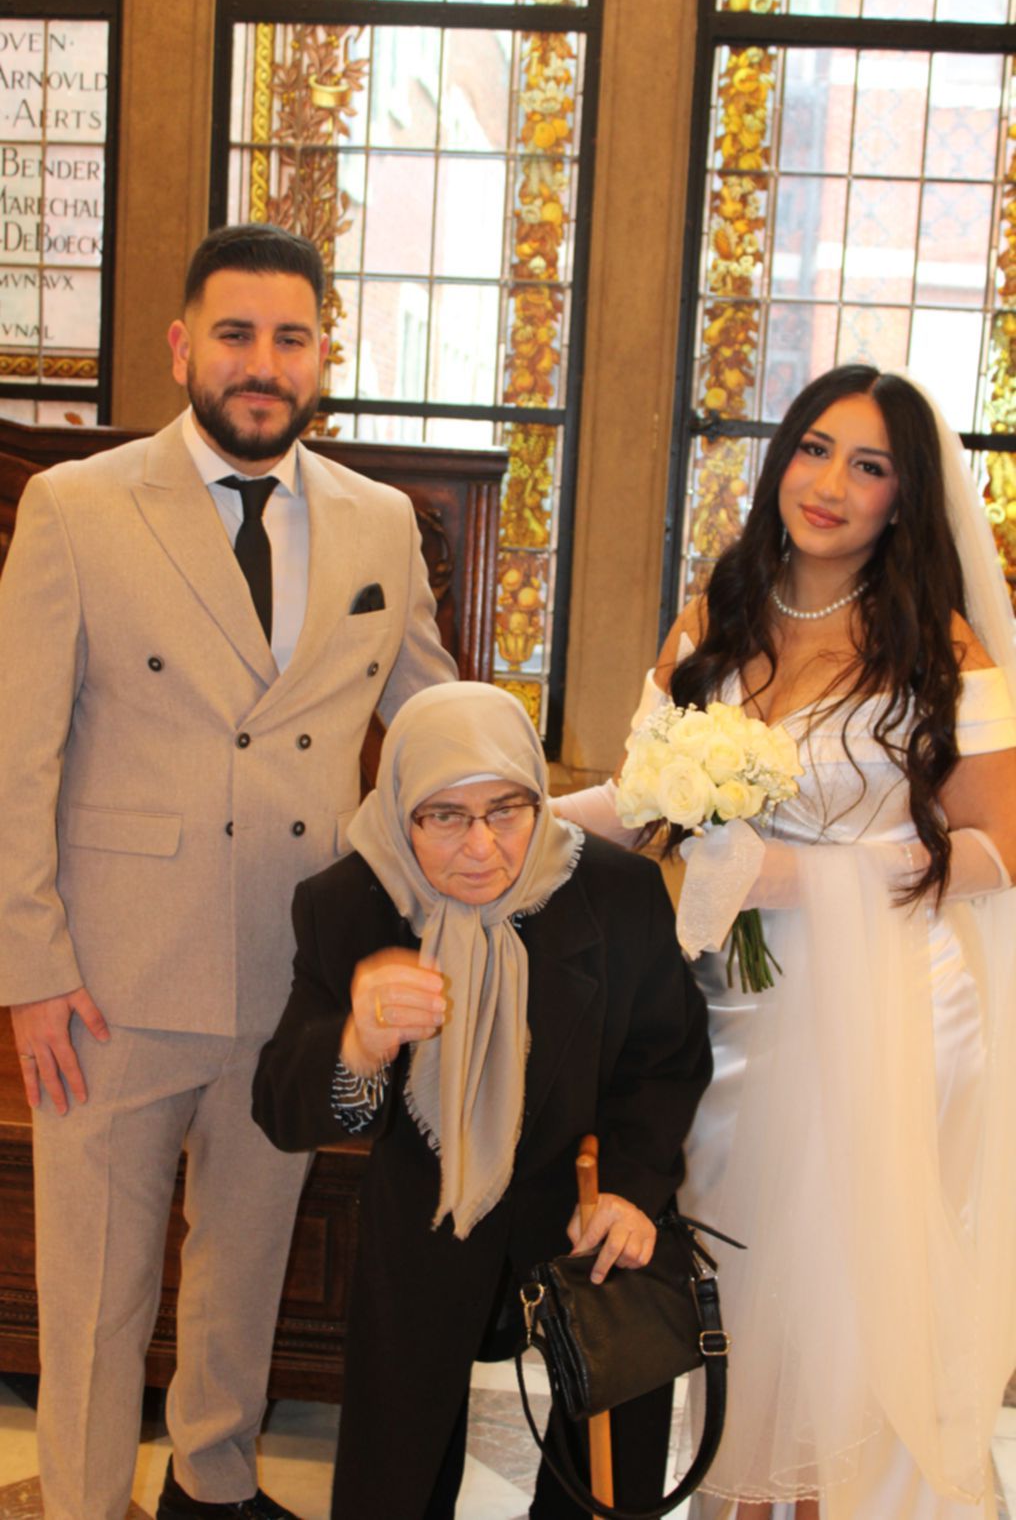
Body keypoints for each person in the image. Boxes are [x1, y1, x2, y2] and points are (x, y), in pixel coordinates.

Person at [0, 222, 456, 1520]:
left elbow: (435, 729)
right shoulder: (77, 506)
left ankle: (212, 1487)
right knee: (95, 1295)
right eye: (237, 334)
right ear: (181, 344)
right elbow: (14, 756)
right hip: (109, 984)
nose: (264, 363)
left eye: (291, 337)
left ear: (325, 354)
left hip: (293, 976)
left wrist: (564, 823)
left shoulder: (378, 524)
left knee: (244, 1273)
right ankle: (84, 1503)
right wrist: (30, 974)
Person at [553, 366, 1016, 1520]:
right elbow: (644, 797)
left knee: (846, 1293)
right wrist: (515, 824)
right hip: (733, 1005)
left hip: (889, 1008)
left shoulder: (940, 645)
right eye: (812, 449)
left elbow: (995, 853)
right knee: (748, 1280)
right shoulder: (714, 614)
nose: (829, 484)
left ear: (903, 499)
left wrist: (806, 879)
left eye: (868, 466)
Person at [252, 680, 712, 1519]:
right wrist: (356, 1045)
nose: (482, 847)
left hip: (587, 1209)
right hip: (424, 1227)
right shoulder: (350, 904)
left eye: (507, 810)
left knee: (608, 1470)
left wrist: (631, 1192)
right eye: (445, 817)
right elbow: (280, 1109)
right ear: (400, 810)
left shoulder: (616, 894)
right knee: (396, 1477)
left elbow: (666, 1062)